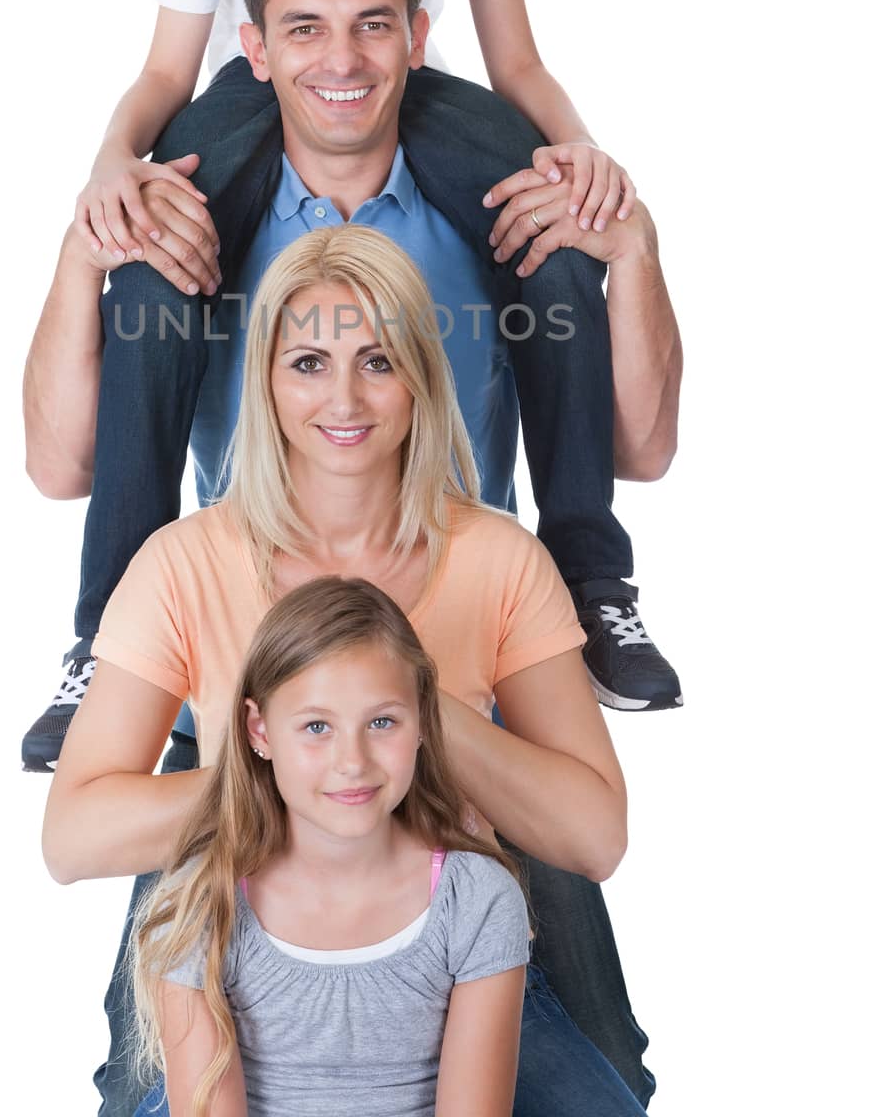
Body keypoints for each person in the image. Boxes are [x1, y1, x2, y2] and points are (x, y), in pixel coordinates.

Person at [23, 0, 682, 747]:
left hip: (415, 91)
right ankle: (106, 633)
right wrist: (107, 179)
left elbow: (513, 57)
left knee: (555, 237)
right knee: (152, 272)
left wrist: (585, 169)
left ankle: (588, 575)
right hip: (245, 96)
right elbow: (165, 68)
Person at [42, 225, 648, 1117]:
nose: (345, 397)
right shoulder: (183, 563)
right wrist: (290, 780)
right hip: (242, 925)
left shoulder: (499, 559)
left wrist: (409, 705)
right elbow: (72, 837)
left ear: (419, 376)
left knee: (606, 1095)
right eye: (309, 362)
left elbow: (594, 836)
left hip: (437, 931)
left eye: (377, 360)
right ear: (267, 379)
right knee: (137, 1096)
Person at [131, 577, 530, 1117]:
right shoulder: (200, 905)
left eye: (382, 721)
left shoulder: (478, 900)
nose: (353, 762)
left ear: (421, 724)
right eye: (317, 726)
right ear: (260, 730)